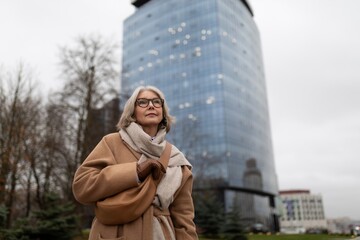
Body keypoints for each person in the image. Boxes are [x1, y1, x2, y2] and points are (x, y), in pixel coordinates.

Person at [72, 85, 198, 240]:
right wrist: (135, 172)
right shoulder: (112, 143)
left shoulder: (176, 159)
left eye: (156, 102)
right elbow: (82, 187)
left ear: (163, 112)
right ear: (132, 112)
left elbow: (184, 218)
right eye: (142, 102)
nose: (151, 105)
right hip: (115, 233)